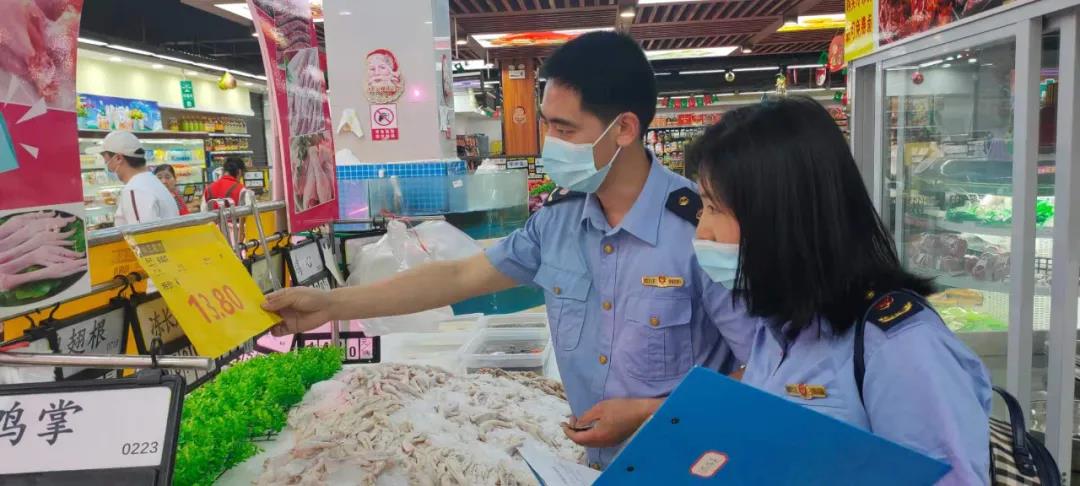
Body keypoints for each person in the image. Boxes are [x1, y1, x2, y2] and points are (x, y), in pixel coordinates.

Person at [261, 32, 754, 470]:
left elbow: (764, 369)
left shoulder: (702, 230)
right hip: (595, 467)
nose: (548, 144)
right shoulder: (558, 221)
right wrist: (330, 305)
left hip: (690, 464)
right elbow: (456, 278)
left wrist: (651, 411)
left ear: (624, 129)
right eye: (546, 125)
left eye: (565, 130)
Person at [570, 97, 991, 484]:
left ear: (780, 216)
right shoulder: (777, 332)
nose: (702, 231)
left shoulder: (899, 348)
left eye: (715, 209)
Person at [91, 131, 179, 226]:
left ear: (118, 158)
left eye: (105, 159)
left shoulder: (135, 190)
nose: (106, 165)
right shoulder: (151, 181)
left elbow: (144, 236)